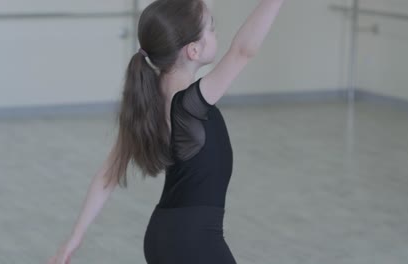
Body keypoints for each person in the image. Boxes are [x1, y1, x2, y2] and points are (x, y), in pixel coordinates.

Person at [47, 0, 285, 263]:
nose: (216, 33)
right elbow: (243, 50)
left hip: (162, 237)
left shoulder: (148, 103)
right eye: (212, 29)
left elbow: (108, 175)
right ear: (193, 50)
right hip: (194, 242)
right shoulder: (190, 105)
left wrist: (74, 239)